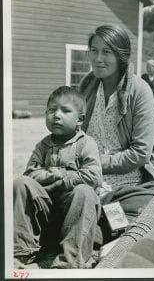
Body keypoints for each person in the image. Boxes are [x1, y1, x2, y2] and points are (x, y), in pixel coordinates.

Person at [79, 25, 154, 245]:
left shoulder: (140, 90)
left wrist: (97, 162)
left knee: (121, 229)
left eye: (106, 52)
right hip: (88, 179)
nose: (98, 59)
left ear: (121, 56)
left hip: (127, 184)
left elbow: (140, 154)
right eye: (94, 50)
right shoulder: (87, 85)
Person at [13, 86, 102, 269]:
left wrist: (61, 176)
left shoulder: (86, 143)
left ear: (80, 119)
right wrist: (48, 175)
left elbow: (93, 176)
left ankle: (69, 260)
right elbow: (31, 173)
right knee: (21, 183)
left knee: (84, 191)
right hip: (46, 212)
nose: (56, 115)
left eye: (65, 110)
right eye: (52, 110)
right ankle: (21, 252)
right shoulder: (43, 145)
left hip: (76, 214)